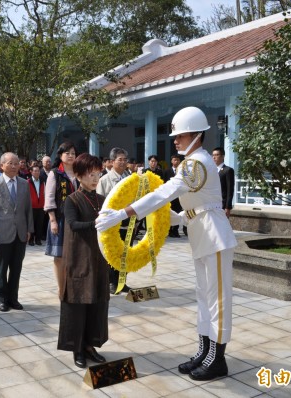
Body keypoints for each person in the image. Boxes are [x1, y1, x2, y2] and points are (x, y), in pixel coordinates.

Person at [96, 107, 237, 381]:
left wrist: (124, 212)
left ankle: (217, 359)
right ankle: (205, 350)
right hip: (203, 234)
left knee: (217, 300)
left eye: (180, 135)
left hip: (215, 237)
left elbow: (167, 191)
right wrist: (159, 217)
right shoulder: (194, 162)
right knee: (204, 297)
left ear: (195, 135)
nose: (175, 140)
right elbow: (192, 211)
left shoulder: (197, 162)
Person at [57, 153, 109, 369]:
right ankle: (77, 348)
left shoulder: (102, 199)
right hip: (79, 259)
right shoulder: (72, 200)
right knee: (78, 304)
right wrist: (95, 223)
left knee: (97, 304)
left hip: (98, 259)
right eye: (90, 174)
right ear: (78, 175)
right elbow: (73, 224)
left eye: (98, 174)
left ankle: (90, 345)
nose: (95, 178)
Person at [0, 152, 33, 312]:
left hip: (20, 232)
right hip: (1, 233)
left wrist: (29, 229)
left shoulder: (24, 183)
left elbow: (28, 209)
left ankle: (14, 298)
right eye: (10, 163)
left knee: (16, 268)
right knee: (1, 268)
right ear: (2, 166)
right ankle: (2, 299)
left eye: (16, 163)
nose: (13, 166)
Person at [96, 147, 133, 294]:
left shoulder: (130, 179)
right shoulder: (104, 180)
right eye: (120, 159)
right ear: (112, 162)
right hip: (111, 224)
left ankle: (122, 282)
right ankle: (111, 282)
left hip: (128, 223)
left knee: (125, 253)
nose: (123, 162)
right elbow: (99, 202)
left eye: (125, 159)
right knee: (112, 254)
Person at [44, 142, 78, 298]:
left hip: (77, 220)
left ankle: (71, 286)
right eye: (67, 153)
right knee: (59, 257)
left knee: (75, 255)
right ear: (60, 155)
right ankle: (61, 287)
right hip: (60, 219)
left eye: (73, 153)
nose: (71, 156)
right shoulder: (55, 174)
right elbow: (49, 198)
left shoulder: (79, 173)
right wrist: (52, 220)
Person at [163, 154, 183, 238]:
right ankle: (169, 230)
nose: (176, 161)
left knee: (178, 213)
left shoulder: (182, 171)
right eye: (174, 160)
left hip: (179, 197)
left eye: (178, 160)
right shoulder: (167, 171)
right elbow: (163, 182)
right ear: (171, 161)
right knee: (169, 214)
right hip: (170, 196)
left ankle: (175, 230)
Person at [212, 147, 235, 217]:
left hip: (222, 204)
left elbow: (230, 190)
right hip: (211, 204)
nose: (214, 157)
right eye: (213, 155)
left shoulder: (227, 170)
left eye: (217, 155)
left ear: (223, 156)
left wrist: (228, 207)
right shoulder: (211, 170)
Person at [28, 165, 45, 246]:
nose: (37, 172)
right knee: (32, 224)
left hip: (41, 206)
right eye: (35, 171)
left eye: (38, 171)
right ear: (31, 172)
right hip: (31, 207)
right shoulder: (28, 182)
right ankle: (31, 240)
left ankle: (38, 239)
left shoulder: (42, 181)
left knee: (40, 224)